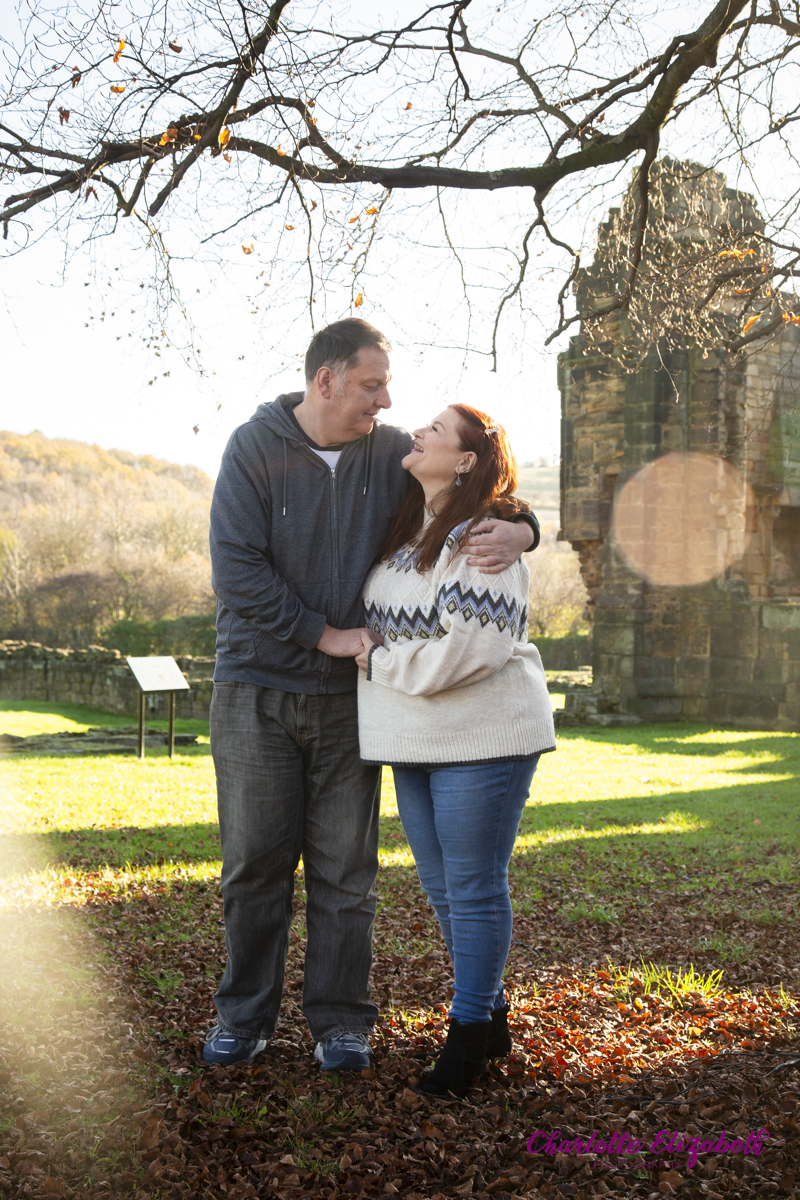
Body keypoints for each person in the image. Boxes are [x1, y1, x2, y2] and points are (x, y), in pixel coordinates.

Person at [204, 319, 540, 1071]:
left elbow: (476, 484)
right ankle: (244, 1016)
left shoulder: (389, 453)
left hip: (349, 701)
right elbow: (237, 572)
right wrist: (325, 634)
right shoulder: (253, 448)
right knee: (255, 865)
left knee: (345, 872)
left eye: (387, 386)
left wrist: (526, 531)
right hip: (256, 687)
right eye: (371, 385)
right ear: (326, 380)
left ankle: (341, 1022)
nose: (386, 401)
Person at [355, 403, 555, 1098]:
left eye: (436, 430)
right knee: (443, 890)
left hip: (484, 735)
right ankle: (492, 1014)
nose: (417, 432)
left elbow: (473, 648)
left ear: (466, 459)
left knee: (471, 887)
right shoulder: (406, 522)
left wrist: (376, 664)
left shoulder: (484, 538)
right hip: (412, 736)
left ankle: (468, 1032)